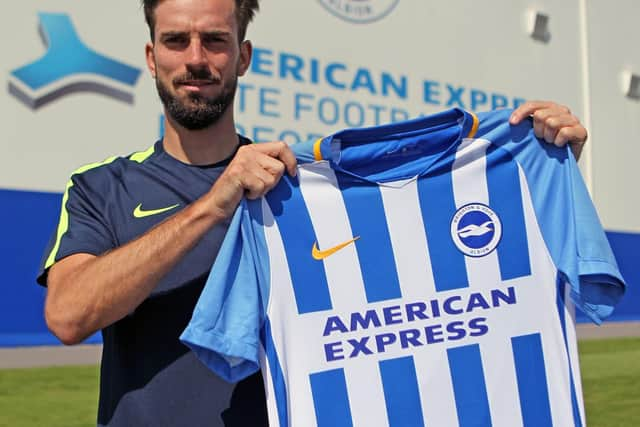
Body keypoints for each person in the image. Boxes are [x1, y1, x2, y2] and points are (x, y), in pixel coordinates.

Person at [37, 0, 590, 426]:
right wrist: (214, 205)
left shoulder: (300, 189)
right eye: (177, 40)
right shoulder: (100, 187)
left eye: (215, 40)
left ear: (244, 56)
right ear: (152, 57)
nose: (197, 59)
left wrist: (540, 165)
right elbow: (68, 315)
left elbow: (426, 279)